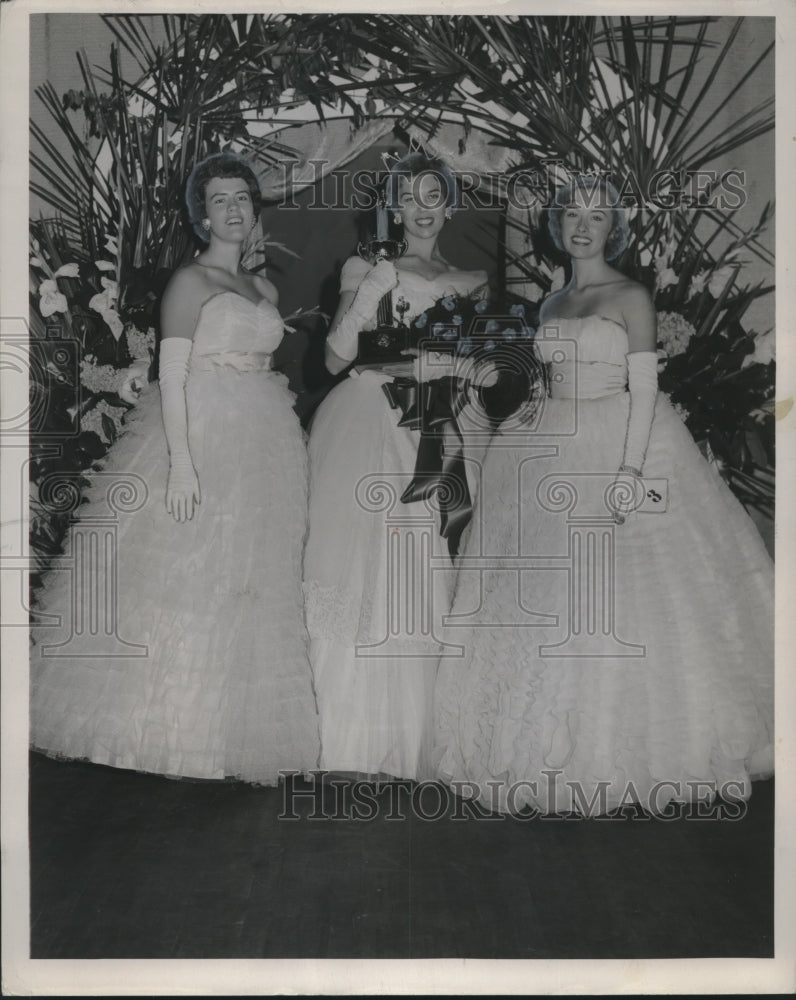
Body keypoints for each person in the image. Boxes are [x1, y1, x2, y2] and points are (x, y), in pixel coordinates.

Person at [433, 176, 774, 815]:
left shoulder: (631, 295)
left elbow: (644, 390)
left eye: (597, 217)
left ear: (612, 228)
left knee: (623, 592)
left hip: (620, 439)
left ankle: (632, 748)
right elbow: (548, 381)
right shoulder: (551, 303)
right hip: (550, 443)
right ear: (557, 226)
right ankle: (545, 746)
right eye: (573, 215)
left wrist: (631, 470)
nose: (583, 227)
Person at [30, 152, 320, 783]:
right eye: (220, 200)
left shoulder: (265, 290)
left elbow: (265, 366)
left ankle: (222, 736)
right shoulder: (189, 281)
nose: (234, 209)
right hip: (198, 428)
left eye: (242, 197)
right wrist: (183, 465)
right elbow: (175, 376)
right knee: (187, 569)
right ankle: (162, 734)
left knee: (245, 575)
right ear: (201, 217)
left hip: (261, 439)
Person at [303, 151, 489, 780]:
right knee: (357, 570)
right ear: (393, 208)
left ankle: (408, 741)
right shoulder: (366, 267)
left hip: (437, 427)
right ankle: (345, 739)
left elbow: (477, 367)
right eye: (409, 197)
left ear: (451, 205)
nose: (422, 208)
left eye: (433, 195)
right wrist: (373, 290)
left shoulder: (472, 281)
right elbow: (334, 359)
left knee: (420, 570)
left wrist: (460, 370)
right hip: (369, 420)